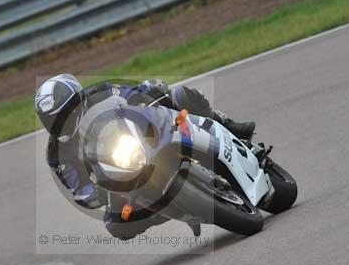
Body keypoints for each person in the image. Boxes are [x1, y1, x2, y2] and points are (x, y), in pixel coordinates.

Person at [35, 74, 255, 239]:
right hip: (117, 175)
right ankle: (171, 209)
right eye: (54, 120)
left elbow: (131, 93)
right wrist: (94, 194)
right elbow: (79, 188)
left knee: (181, 95)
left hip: (142, 135)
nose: (63, 121)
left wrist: (151, 91)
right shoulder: (58, 155)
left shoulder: (102, 92)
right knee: (116, 225)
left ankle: (228, 125)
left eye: (66, 112)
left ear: (79, 99)